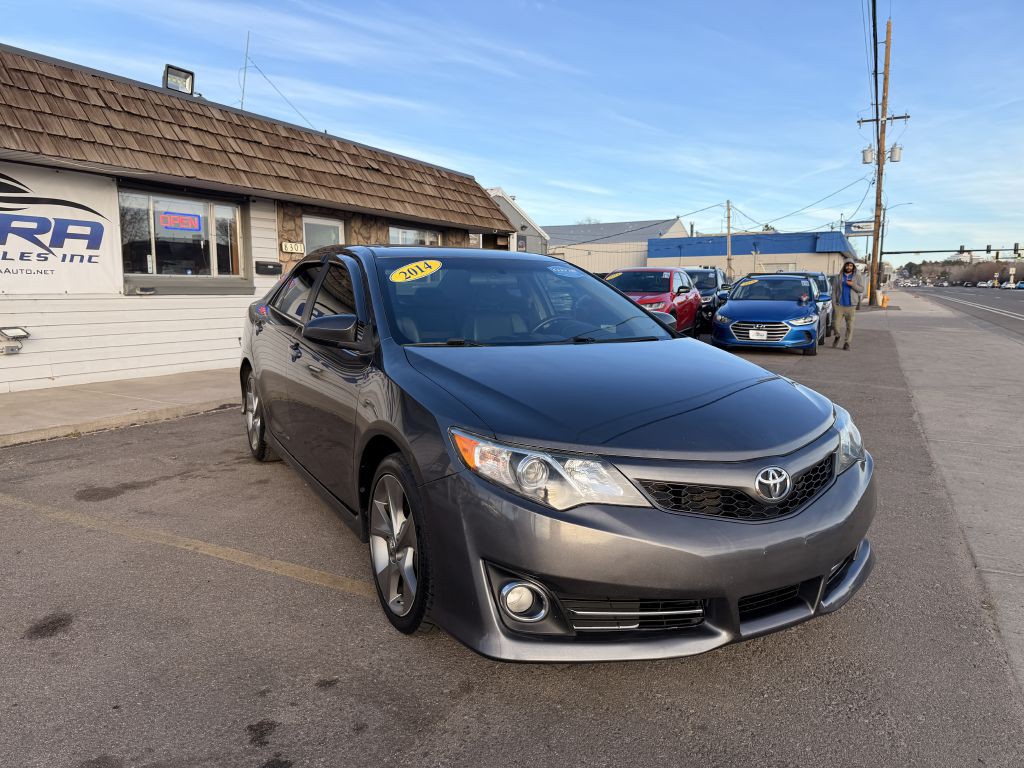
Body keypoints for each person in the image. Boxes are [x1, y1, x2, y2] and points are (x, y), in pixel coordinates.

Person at [832, 261, 864, 350]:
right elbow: (834, 290)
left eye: (851, 265)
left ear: (853, 267)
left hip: (851, 306)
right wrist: (834, 303)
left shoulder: (857, 277)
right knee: (835, 325)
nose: (849, 267)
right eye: (847, 265)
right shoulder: (838, 277)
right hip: (839, 305)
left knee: (850, 326)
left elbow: (861, 289)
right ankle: (837, 336)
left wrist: (852, 284)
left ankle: (847, 343)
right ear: (844, 266)